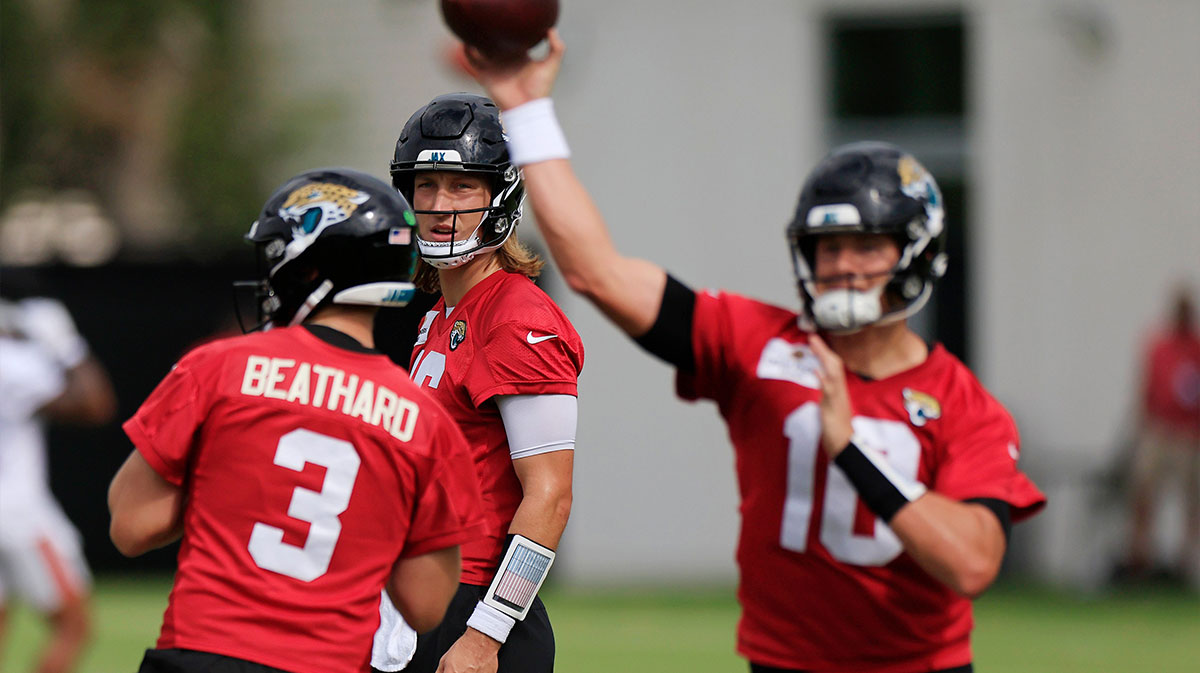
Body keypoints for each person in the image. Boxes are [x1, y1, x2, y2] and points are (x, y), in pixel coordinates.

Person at [454, 33, 1048, 673]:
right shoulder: (761, 343)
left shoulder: (963, 403)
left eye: (866, 246)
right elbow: (599, 274)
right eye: (828, 246)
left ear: (915, 253)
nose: (842, 265)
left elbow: (973, 562)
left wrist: (853, 450)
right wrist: (527, 111)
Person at [107, 167, 485, 673]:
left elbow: (131, 525)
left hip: (202, 652)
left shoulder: (219, 367)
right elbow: (426, 604)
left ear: (307, 268)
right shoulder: (424, 422)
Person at [370, 93, 583, 673]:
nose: (440, 206)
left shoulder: (516, 317)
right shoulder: (437, 316)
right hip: (419, 592)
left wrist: (487, 633)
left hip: (475, 603)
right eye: (426, 185)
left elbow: (551, 495)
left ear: (501, 195)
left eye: (462, 186)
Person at [0, 293, 116, 673]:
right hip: (18, 513)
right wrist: (67, 347)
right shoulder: (12, 363)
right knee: (73, 627)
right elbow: (95, 403)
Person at [1119, 285, 1200, 583]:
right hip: (1159, 430)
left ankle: (1184, 565)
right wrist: (1141, 429)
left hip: (1188, 434)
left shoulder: (1196, 346)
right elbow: (1146, 387)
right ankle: (1140, 559)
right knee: (1143, 494)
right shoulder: (1158, 345)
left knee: (1190, 501)